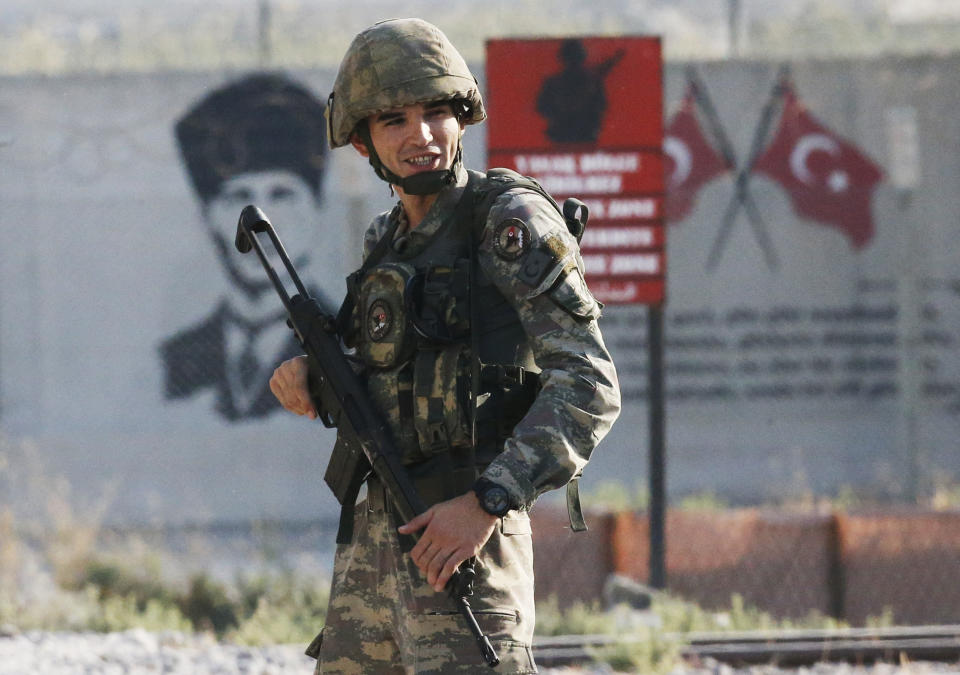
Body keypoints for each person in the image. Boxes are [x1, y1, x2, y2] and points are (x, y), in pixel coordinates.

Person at [269, 18, 620, 674]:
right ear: (363, 139)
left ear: (463, 117)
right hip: (375, 540)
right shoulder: (387, 238)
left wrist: (488, 500)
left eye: (436, 112)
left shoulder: (507, 221)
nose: (421, 135)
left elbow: (589, 382)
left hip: (466, 543)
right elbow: (389, 380)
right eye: (394, 120)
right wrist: (312, 380)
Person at [160, 73, 334, 421]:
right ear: (207, 217)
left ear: (317, 208)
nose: (260, 220)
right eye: (238, 196)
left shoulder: (349, 344)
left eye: (282, 194)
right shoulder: (172, 361)